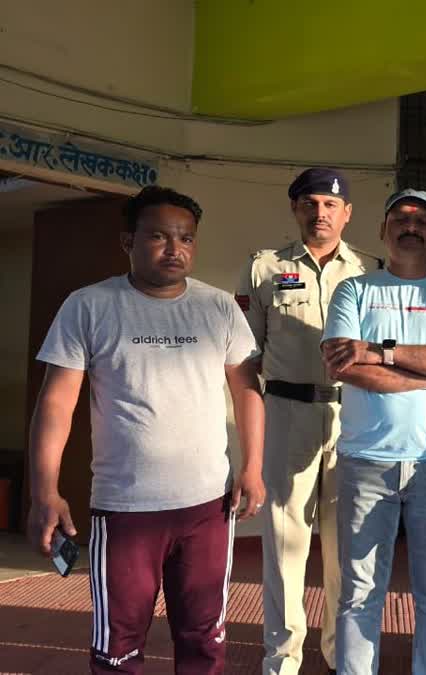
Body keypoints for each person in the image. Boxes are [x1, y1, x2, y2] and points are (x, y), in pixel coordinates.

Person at [26, 185, 265, 674]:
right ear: (127, 241)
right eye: (158, 236)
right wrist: (44, 492)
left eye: (186, 238)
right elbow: (56, 403)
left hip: (208, 507)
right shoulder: (88, 306)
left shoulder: (218, 308)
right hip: (125, 508)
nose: (175, 249)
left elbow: (246, 390)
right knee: (118, 645)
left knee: (205, 639)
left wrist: (253, 467)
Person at [321, 189, 426, 674]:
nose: (410, 226)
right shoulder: (355, 290)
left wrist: (379, 350)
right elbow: (344, 367)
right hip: (364, 461)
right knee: (359, 594)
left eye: (422, 220)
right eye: (400, 218)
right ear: (382, 230)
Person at [237, 167, 381, 675]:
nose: (319, 213)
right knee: (283, 544)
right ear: (295, 209)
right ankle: (282, 661)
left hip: (353, 414)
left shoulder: (370, 270)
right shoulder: (265, 268)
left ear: (346, 214)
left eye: (329, 205)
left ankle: (343, 658)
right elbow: (244, 356)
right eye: (309, 204)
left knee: (348, 547)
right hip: (286, 412)